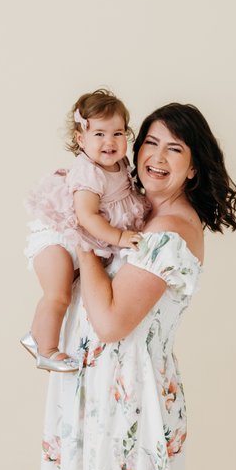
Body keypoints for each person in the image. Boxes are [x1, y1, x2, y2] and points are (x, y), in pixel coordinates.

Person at [36, 102, 236, 470]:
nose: (157, 157)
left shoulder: (170, 230)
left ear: (194, 168)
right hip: (99, 387)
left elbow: (110, 324)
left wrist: (82, 237)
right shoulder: (140, 216)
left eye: (175, 149)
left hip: (128, 396)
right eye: (150, 142)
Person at [21, 89, 148, 372]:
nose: (109, 142)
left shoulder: (121, 165)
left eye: (117, 134)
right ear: (81, 139)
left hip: (81, 244)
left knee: (69, 290)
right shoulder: (88, 170)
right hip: (58, 238)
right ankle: (47, 350)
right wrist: (119, 237)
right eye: (99, 134)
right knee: (58, 294)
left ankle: (35, 336)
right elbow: (87, 216)